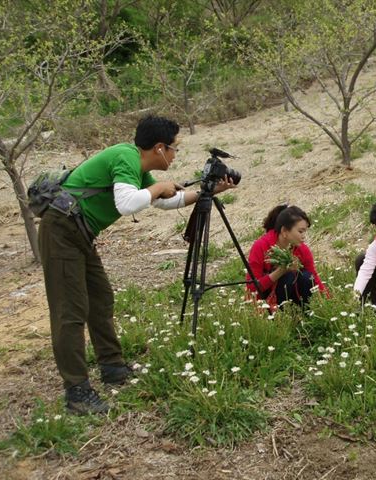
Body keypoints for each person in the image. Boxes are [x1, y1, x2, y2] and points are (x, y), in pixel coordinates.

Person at [38, 115, 234, 415]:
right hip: (62, 229)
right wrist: (159, 188)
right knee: (70, 311)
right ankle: (77, 391)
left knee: (101, 299)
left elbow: (164, 201)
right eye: (173, 148)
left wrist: (208, 192)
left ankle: (112, 366)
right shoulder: (125, 157)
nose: (174, 154)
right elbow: (127, 203)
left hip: (78, 231)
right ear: (158, 148)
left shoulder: (137, 166)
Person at [246, 205, 326, 311]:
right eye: (300, 231)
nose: (303, 236)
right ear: (284, 231)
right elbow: (252, 288)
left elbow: (314, 277)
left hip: (293, 295)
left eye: (305, 232)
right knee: (288, 277)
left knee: (307, 277)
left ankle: (307, 312)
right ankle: (280, 315)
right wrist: (280, 271)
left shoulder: (302, 249)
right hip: (266, 300)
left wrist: (327, 301)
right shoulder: (261, 246)